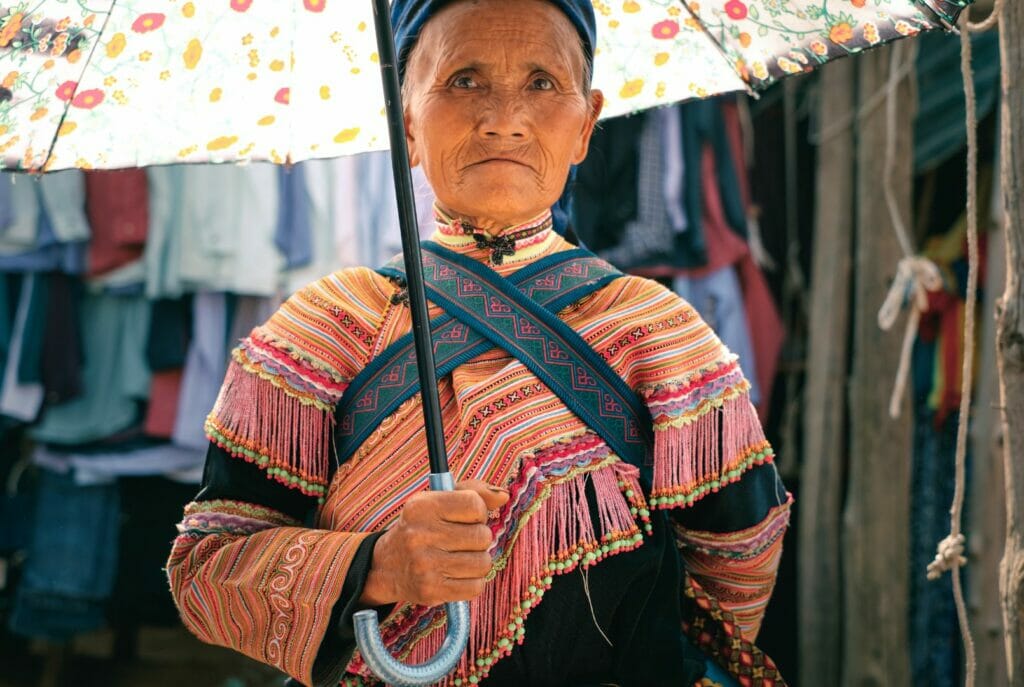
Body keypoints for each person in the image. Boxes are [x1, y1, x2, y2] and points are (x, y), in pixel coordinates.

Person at [166, 1, 792, 685]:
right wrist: (376, 566)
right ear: (405, 119)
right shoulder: (319, 332)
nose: (503, 118)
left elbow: (735, 568)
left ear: (587, 123)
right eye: (463, 80)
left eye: (542, 83)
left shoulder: (661, 339)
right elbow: (207, 570)